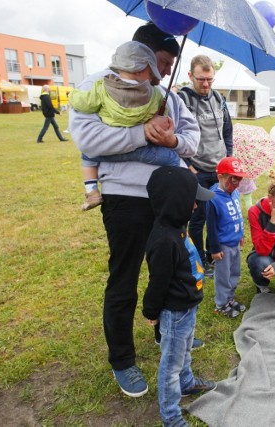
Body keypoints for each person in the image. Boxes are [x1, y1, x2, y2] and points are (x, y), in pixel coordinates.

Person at [69, 22, 201, 398]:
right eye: (158, 63)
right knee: (124, 278)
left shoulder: (168, 94)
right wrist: (142, 135)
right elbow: (88, 139)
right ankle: (123, 360)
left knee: (173, 272)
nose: (161, 74)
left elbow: (191, 140)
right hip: (124, 196)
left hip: (169, 197)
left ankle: (169, 334)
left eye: (167, 66)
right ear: (137, 53)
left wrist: (172, 139)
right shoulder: (97, 86)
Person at [143, 166, 217, 427]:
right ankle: (171, 417)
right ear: (176, 203)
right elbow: (158, 282)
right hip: (175, 311)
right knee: (170, 366)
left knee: (184, 351)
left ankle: (187, 383)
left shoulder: (177, 226)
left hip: (188, 306)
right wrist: (150, 311)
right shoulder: (164, 241)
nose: (196, 207)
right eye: (192, 201)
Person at [69, 41, 179, 211]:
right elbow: (87, 140)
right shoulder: (154, 93)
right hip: (126, 191)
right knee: (172, 158)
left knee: (89, 157)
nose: (166, 71)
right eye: (163, 63)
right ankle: (192, 187)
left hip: (154, 189)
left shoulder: (101, 88)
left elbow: (85, 103)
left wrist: (73, 96)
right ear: (145, 66)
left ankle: (91, 191)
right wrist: (151, 128)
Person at [178, 54, 234, 276]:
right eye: (201, 79)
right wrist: (189, 166)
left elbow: (227, 130)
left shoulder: (219, 99)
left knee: (217, 214)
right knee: (198, 218)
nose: (206, 84)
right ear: (191, 75)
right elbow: (174, 135)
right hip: (197, 170)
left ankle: (213, 254)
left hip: (220, 170)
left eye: (210, 79)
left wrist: (228, 157)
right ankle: (200, 258)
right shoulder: (182, 99)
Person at [207, 157, 249, 318]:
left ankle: (229, 299)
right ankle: (221, 303)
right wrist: (215, 248)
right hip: (223, 246)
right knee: (223, 275)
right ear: (220, 177)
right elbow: (210, 226)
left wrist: (241, 234)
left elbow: (237, 216)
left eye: (239, 180)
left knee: (234, 272)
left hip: (235, 242)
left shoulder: (235, 192)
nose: (236, 184)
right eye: (233, 180)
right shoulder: (213, 197)